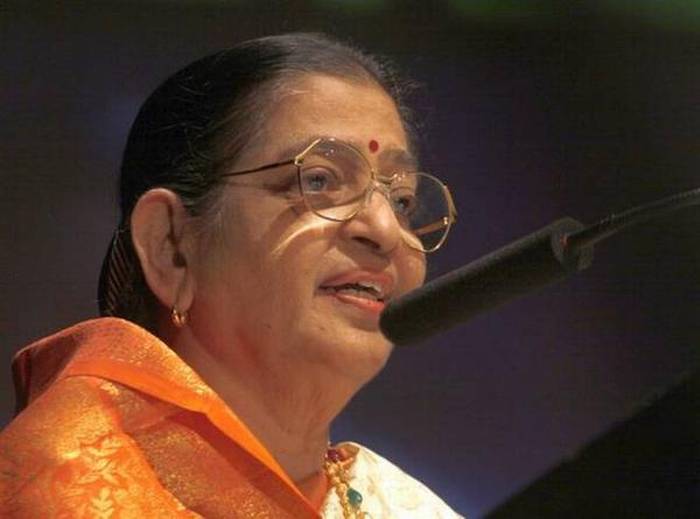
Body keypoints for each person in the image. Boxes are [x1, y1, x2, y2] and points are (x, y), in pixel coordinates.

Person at [0, 33, 460, 518]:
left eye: (402, 200)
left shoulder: (399, 506)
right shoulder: (64, 492)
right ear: (171, 246)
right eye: (318, 180)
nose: (386, 230)